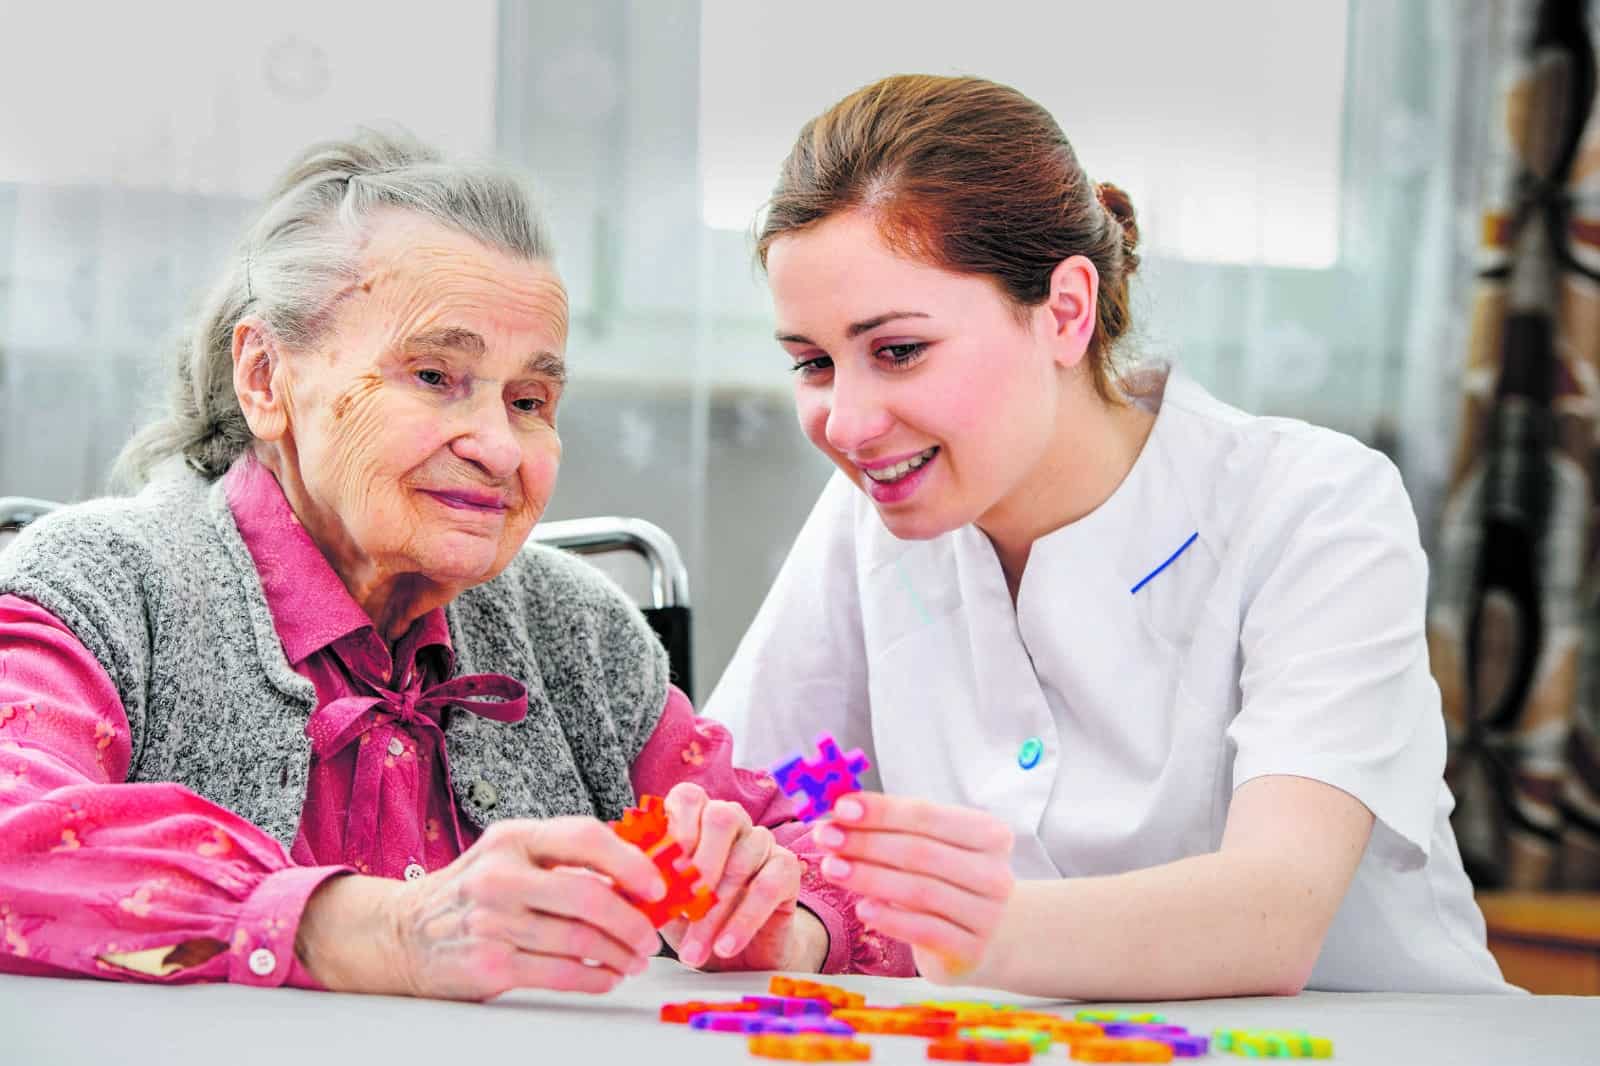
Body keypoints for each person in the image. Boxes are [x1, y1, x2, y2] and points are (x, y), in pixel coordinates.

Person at [0, 131, 909, 999]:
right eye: (434, 375)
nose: (498, 448)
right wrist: (390, 929)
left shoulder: (581, 636)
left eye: (530, 399)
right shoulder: (99, 586)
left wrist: (785, 920)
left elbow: (837, 858)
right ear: (267, 379)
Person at [706, 74, 1513, 998]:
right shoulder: (873, 515)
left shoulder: (1315, 507)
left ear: (1065, 310)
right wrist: (759, 901)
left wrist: (942, 927)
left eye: (898, 350)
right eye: (812, 362)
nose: (846, 425)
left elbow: (1271, 914)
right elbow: (758, 808)